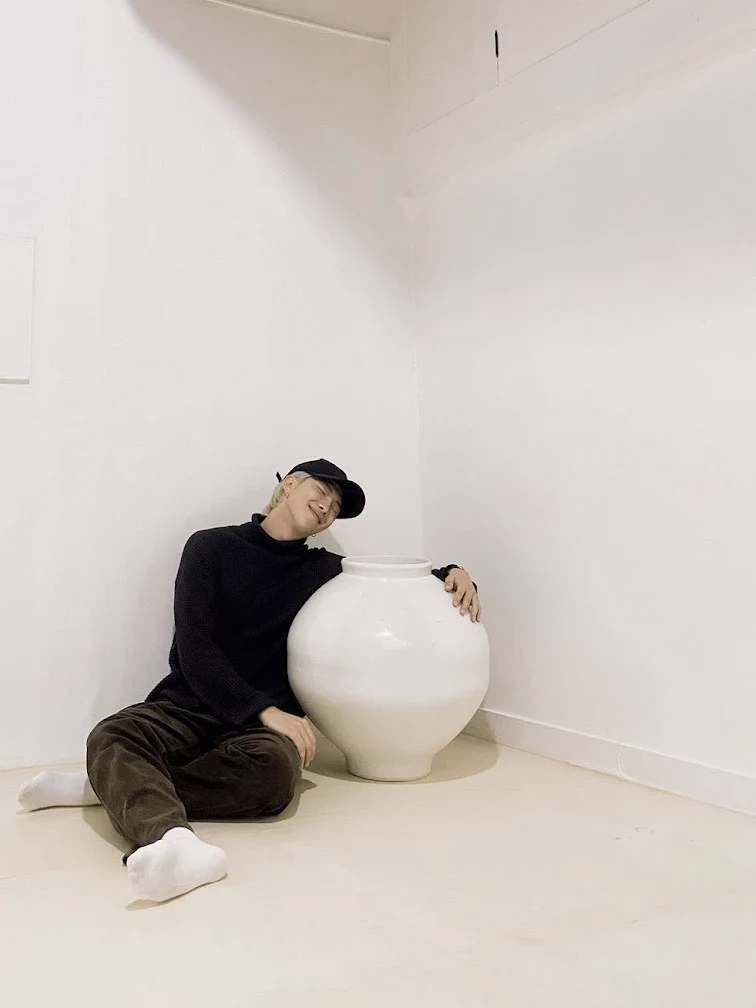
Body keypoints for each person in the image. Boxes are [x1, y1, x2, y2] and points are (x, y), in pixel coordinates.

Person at [18, 459, 481, 903]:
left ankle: (110, 786)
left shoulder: (322, 570)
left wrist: (454, 573)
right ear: (289, 484)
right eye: (322, 491)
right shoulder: (209, 547)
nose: (327, 507)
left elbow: (385, 579)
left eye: (336, 507)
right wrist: (265, 709)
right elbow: (195, 650)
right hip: (191, 703)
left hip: (260, 730)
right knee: (111, 736)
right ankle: (173, 843)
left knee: (273, 779)